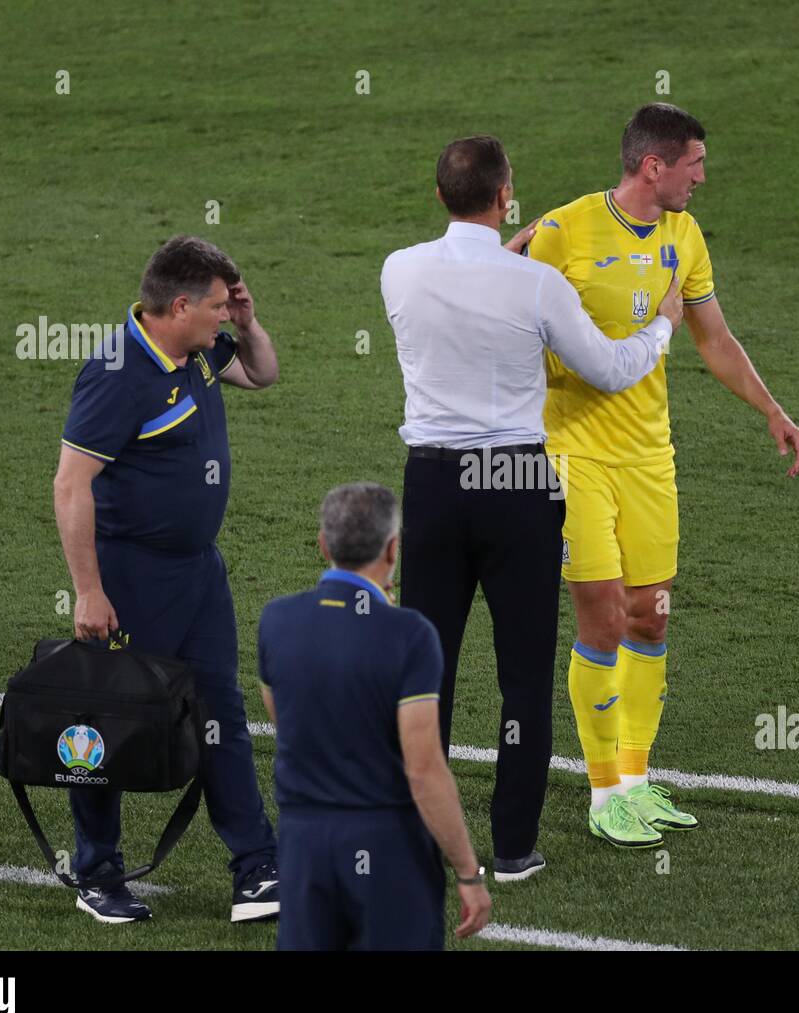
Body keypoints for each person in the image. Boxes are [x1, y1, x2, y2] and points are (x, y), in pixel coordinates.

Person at [381, 135, 682, 881]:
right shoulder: (537, 286)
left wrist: (502, 257)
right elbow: (610, 370)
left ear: (439, 194)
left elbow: (465, 285)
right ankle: (512, 847)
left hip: (435, 485)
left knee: (429, 667)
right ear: (505, 195)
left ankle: (422, 839)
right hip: (517, 483)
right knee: (523, 673)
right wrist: (664, 324)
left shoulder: (399, 271)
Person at [528, 103, 799, 848]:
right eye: (695, 163)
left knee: (650, 615)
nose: (702, 177)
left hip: (650, 457)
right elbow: (494, 307)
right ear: (655, 165)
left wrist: (770, 409)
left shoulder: (684, 236)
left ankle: (636, 778)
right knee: (603, 617)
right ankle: (602, 793)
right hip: (571, 455)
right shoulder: (565, 230)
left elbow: (713, 337)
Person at [53, 235, 281, 922]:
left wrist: (247, 324)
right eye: (216, 306)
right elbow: (71, 484)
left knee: (221, 715)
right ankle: (95, 871)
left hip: (197, 574)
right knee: (109, 720)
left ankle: (256, 870)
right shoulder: (119, 371)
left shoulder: (193, 349)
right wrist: (90, 590)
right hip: (132, 576)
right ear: (178, 305)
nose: (223, 316)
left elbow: (263, 374)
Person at [259, 483, 491, 950]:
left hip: (304, 846)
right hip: (387, 846)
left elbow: (287, 721)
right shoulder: (409, 635)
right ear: (392, 548)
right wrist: (468, 870)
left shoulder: (277, 621)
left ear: (324, 545)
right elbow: (424, 770)